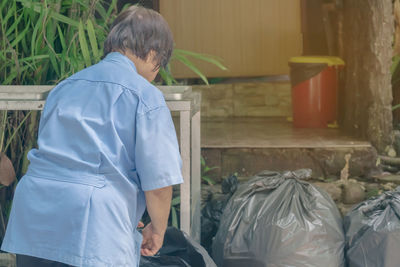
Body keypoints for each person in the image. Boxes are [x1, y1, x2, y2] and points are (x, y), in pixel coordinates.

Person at [1, 5, 183, 267]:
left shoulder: (65, 87)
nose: (156, 75)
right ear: (153, 53)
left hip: (35, 217)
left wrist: (125, 215)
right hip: (91, 226)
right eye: (159, 66)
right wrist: (158, 229)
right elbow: (159, 184)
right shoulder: (145, 96)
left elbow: (60, 159)